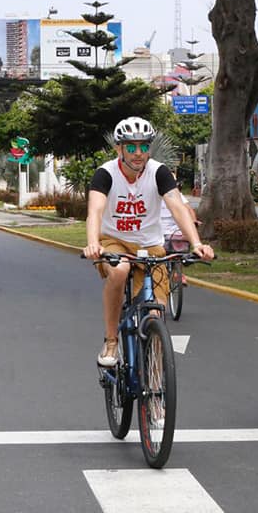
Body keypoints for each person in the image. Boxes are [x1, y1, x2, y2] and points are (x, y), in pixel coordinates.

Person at [82, 117, 214, 367]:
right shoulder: (105, 174)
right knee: (119, 271)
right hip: (114, 241)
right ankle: (111, 341)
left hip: (151, 246)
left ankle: (153, 369)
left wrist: (196, 243)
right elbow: (95, 211)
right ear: (119, 149)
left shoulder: (159, 172)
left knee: (156, 310)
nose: (138, 153)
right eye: (131, 147)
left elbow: (177, 207)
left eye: (144, 146)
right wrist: (92, 243)